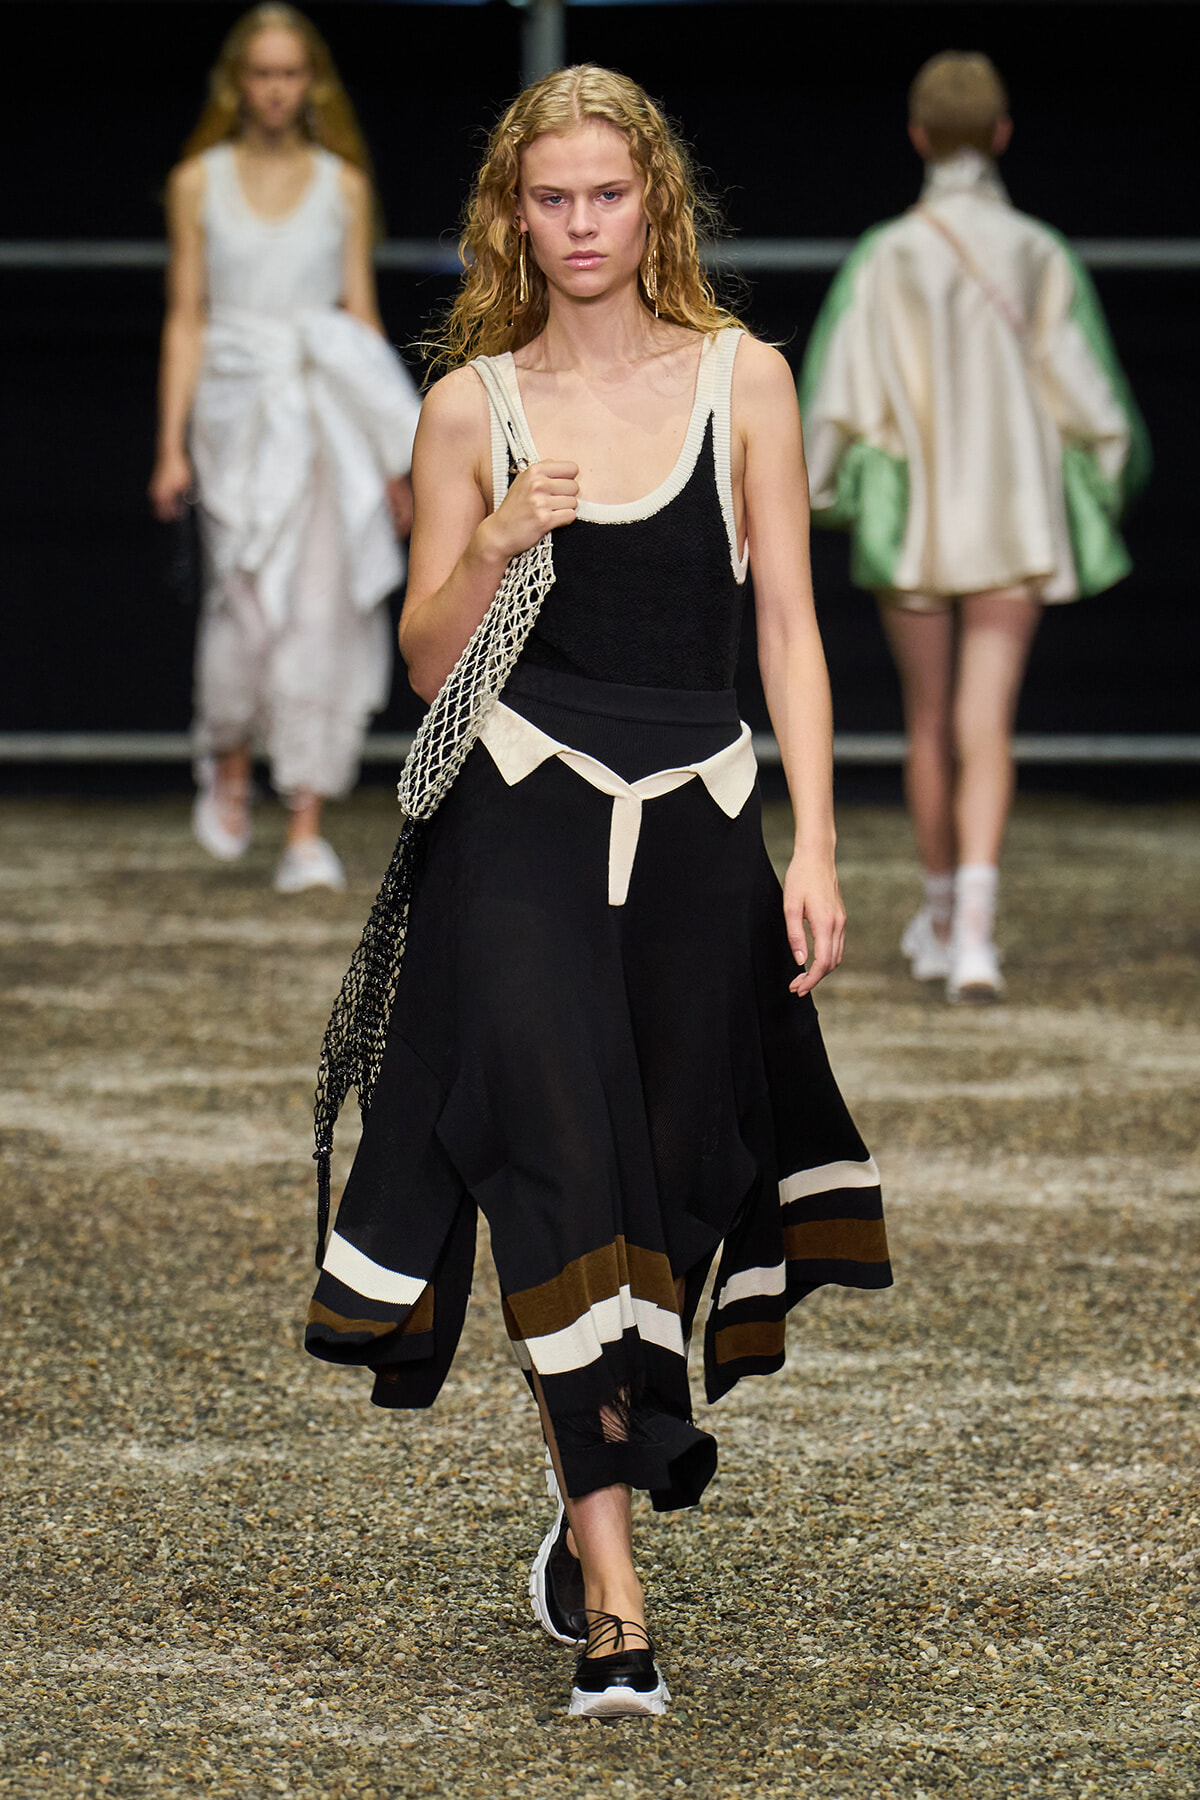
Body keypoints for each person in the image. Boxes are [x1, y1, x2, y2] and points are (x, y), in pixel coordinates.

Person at [304, 65, 891, 1718]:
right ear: (510, 213)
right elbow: (426, 666)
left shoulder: (743, 381)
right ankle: (618, 1599)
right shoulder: (466, 408)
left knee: (684, 1175)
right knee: (558, 1171)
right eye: (547, 200)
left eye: (606, 197)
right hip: (518, 830)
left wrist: (826, 848)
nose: (578, 226)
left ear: (656, 205)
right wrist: (494, 537)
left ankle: (585, 1523)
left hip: (701, 824)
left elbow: (788, 633)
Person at [799, 51, 1150, 1000]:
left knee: (926, 720)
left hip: (918, 516)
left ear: (917, 136)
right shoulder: (1037, 251)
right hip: (1015, 512)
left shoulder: (887, 254)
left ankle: (947, 912)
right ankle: (974, 943)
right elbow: (1093, 398)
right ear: (1001, 135)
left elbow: (834, 401)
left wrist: (818, 492)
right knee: (985, 721)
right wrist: (1106, 482)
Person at [149, 4, 421, 892]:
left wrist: (393, 455)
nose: (275, 88)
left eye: (291, 72)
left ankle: (304, 821)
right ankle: (228, 757)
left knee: (319, 607)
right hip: (233, 412)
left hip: (322, 413)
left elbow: (361, 321)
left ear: (312, 82)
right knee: (242, 603)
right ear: (238, 80)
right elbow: (185, 319)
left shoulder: (342, 184)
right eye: (261, 72)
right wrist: (170, 448)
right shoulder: (198, 181)